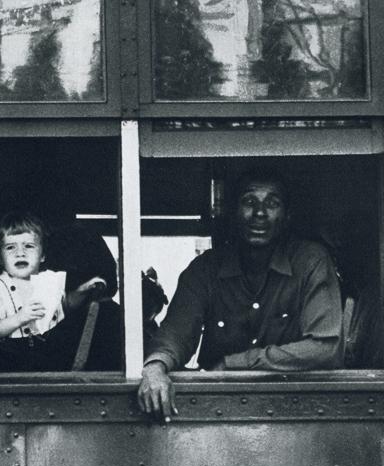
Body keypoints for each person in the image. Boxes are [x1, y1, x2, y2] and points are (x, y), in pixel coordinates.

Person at [138, 169, 344, 421]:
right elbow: (175, 334)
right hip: (218, 412)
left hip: (294, 411)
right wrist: (156, 367)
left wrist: (233, 364)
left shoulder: (311, 262)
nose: (259, 213)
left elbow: (325, 348)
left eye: (272, 203)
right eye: (249, 202)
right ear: (233, 213)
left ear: (287, 216)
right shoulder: (205, 269)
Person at [0, 211, 108, 371]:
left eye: (29, 246)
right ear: (1, 258)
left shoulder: (49, 280)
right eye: (10, 247)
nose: (20, 253)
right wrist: (19, 318)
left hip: (49, 352)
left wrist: (84, 289)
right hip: (11, 356)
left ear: (43, 255)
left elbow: (66, 306)